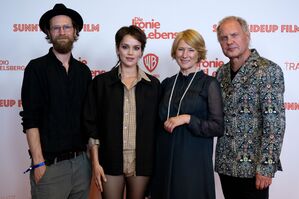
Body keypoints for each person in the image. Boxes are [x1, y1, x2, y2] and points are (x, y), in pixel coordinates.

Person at [20, 4, 92, 199]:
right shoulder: (36, 69)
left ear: (75, 30)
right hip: (50, 167)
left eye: (66, 27)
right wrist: (38, 163)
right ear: (49, 33)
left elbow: (89, 119)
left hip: (82, 165)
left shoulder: (83, 72)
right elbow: (30, 119)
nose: (62, 32)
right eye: (56, 28)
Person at [83, 25, 160, 199]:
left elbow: (156, 128)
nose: (130, 53)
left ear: (141, 52)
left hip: (142, 162)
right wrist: (95, 163)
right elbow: (92, 126)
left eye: (136, 48)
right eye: (125, 47)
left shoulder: (153, 86)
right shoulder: (101, 83)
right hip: (109, 160)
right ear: (117, 49)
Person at [215, 16, 286, 199]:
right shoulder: (220, 73)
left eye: (234, 35)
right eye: (224, 38)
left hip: (253, 168)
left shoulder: (268, 70)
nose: (229, 41)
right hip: (226, 165)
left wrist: (267, 167)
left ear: (247, 36)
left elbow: (274, 123)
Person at [150, 29, 224, 199]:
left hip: (192, 163)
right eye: (181, 49)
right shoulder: (167, 84)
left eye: (191, 50)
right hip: (164, 161)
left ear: (199, 53)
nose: (185, 55)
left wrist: (187, 118)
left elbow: (218, 127)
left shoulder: (209, 84)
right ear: (174, 52)